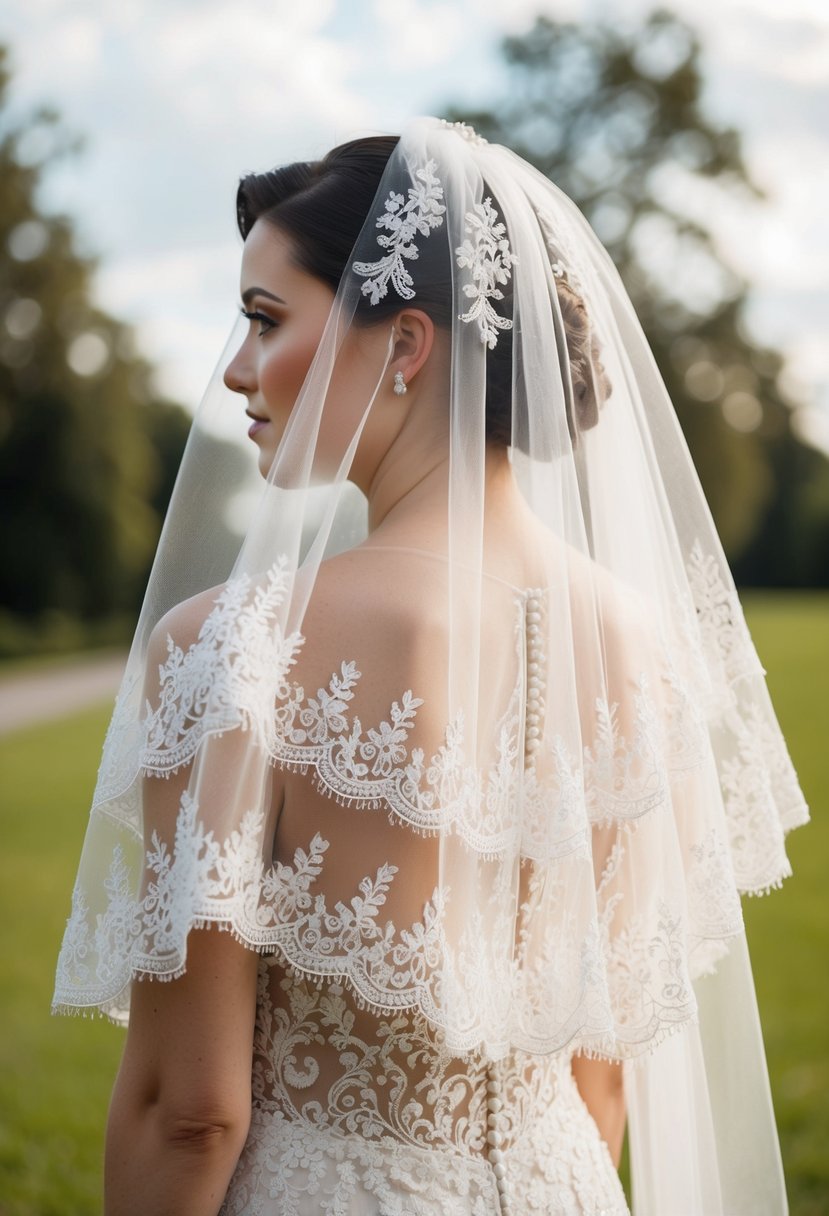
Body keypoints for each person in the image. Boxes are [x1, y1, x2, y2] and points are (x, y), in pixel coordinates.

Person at [54, 118, 808, 1215]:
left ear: (405, 346)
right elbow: (601, 1080)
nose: (234, 369)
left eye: (266, 320)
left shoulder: (237, 646)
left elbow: (190, 1108)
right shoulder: (646, 650)